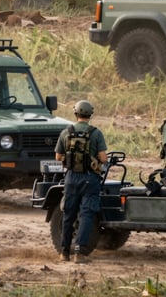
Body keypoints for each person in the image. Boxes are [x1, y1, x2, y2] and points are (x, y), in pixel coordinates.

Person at [54, 100, 108, 264]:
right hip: (89, 179)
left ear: (75, 113)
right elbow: (104, 158)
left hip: (70, 178)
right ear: (90, 114)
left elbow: (58, 157)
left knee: (68, 215)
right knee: (86, 215)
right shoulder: (96, 133)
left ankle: (64, 252)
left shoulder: (66, 132)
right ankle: (80, 253)